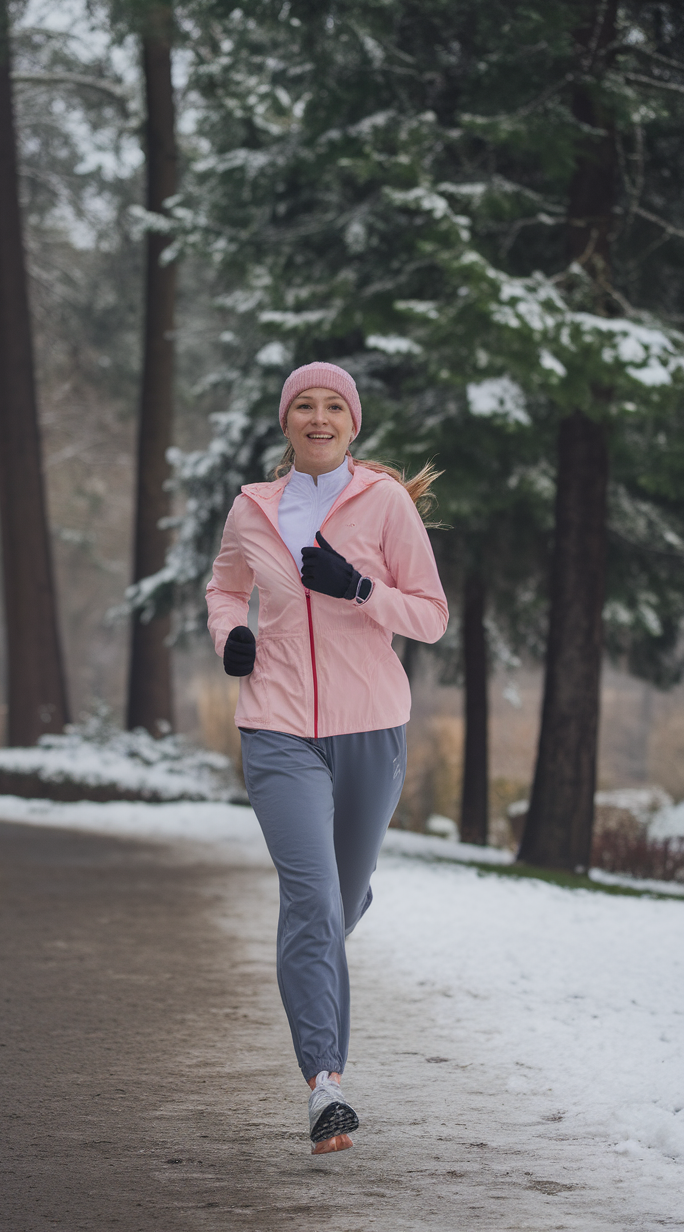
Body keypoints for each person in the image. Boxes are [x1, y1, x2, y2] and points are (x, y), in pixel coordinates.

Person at [206, 361, 449, 1154]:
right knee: (312, 901)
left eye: (332, 407)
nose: (318, 417)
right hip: (276, 728)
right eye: (303, 406)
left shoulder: (381, 503)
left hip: (370, 727)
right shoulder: (253, 509)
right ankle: (325, 1086)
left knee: (340, 900)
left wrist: (359, 588)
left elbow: (432, 617)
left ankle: (321, 966)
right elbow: (222, 588)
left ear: (352, 423)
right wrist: (231, 638)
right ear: (286, 423)